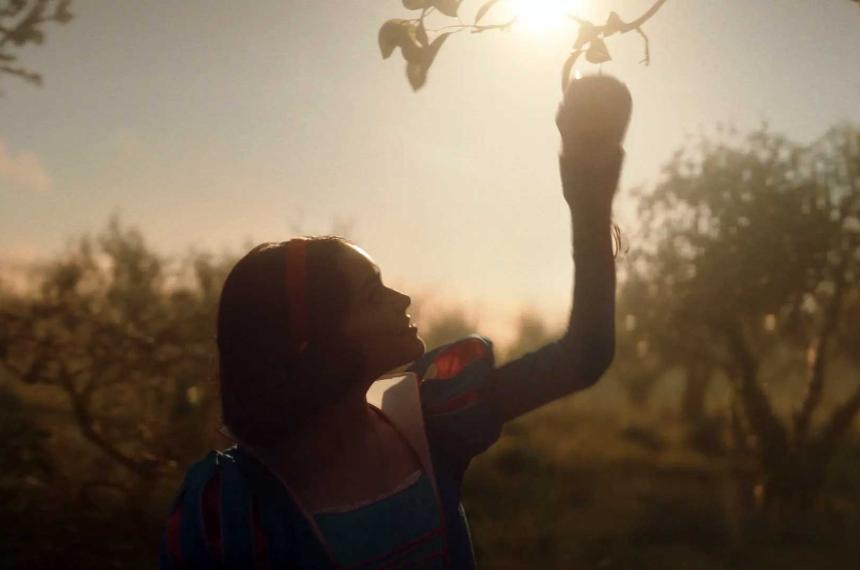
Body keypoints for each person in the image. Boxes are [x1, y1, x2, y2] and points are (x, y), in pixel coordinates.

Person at [160, 74, 631, 569]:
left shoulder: (430, 419)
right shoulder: (226, 517)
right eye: (371, 293)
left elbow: (585, 356)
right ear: (312, 342)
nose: (402, 298)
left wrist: (588, 192)